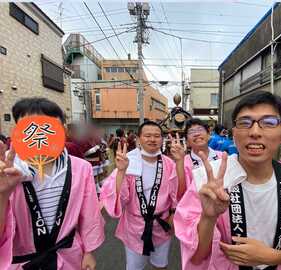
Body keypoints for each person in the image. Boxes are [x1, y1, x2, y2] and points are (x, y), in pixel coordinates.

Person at [173, 91, 281, 270]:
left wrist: (272, 256)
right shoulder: (208, 179)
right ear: (234, 134)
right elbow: (196, 258)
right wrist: (208, 217)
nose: (255, 132)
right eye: (244, 123)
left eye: (269, 123)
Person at [0, 97, 105, 270]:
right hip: (21, 262)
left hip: (69, 258)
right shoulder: (6, 173)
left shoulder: (80, 168)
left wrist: (89, 251)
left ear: (62, 130)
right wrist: (3, 195)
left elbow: (90, 215)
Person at [100, 121, 178, 270]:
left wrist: (174, 212)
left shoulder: (169, 164)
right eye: (147, 135)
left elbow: (176, 192)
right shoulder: (128, 162)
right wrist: (121, 171)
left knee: (161, 266)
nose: (152, 139)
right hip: (135, 227)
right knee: (135, 267)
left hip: (161, 224)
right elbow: (119, 199)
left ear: (162, 139)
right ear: (138, 139)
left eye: (157, 136)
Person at [170, 118, 223, 200]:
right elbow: (180, 195)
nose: (197, 134)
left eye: (200, 130)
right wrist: (180, 161)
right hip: (194, 211)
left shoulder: (222, 157)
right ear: (187, 142)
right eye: (191, 132)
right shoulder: (182, 162)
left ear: (209, 135)